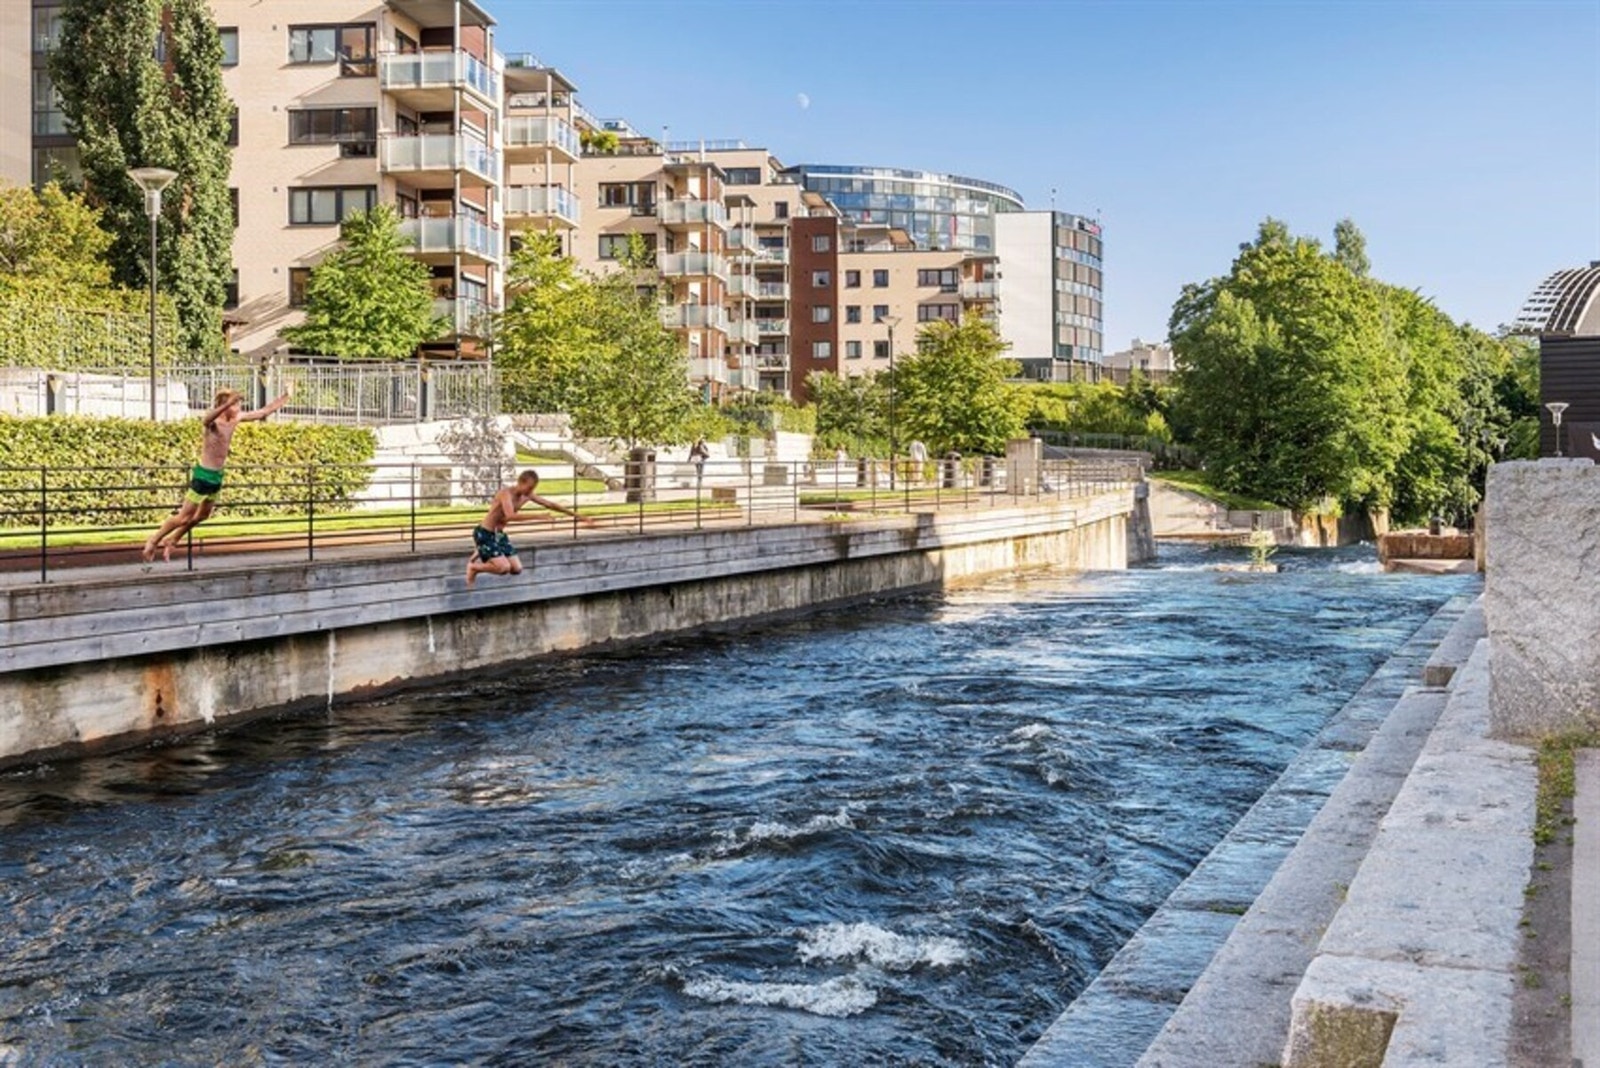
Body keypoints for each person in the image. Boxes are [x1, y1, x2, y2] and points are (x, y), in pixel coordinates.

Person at [142, 385, 292, 563]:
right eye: (235, 405)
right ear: (225, 405)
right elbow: (206, 419)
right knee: (184, 517)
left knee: (202, 516)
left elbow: (264, 412)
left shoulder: (236, 419)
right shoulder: (213, 423)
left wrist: (286, 396)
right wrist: (226, 404)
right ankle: (154, 540)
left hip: (216, 477)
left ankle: (173, 539)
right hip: (203, 475)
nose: (239, 409)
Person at [466, 469, 597, 588]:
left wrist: (580, 517)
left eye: (532, 489)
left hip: (498, 535)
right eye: (529, 488)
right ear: (520, 482)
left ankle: (481, 550)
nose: (530, 492)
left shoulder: (527, 495)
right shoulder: (505, 494)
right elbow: (510, 515)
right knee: (503, 568)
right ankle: (474, 567)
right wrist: (538, 516)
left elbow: (551, 505)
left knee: (517, 569)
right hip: (484, 533)